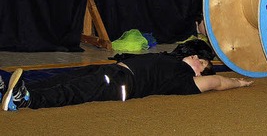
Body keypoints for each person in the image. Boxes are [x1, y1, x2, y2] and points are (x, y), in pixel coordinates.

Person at [1, 40, 252, 111]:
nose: (197, 60)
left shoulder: (186, 80)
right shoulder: (170, 58)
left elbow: (218, 82)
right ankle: (15, 90)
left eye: (202, 63)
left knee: (76, 91)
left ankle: (28, 100)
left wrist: (239, 83)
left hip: (122, 84)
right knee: (68, 79)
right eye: (197, 57)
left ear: (201, 72)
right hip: (114, 71)